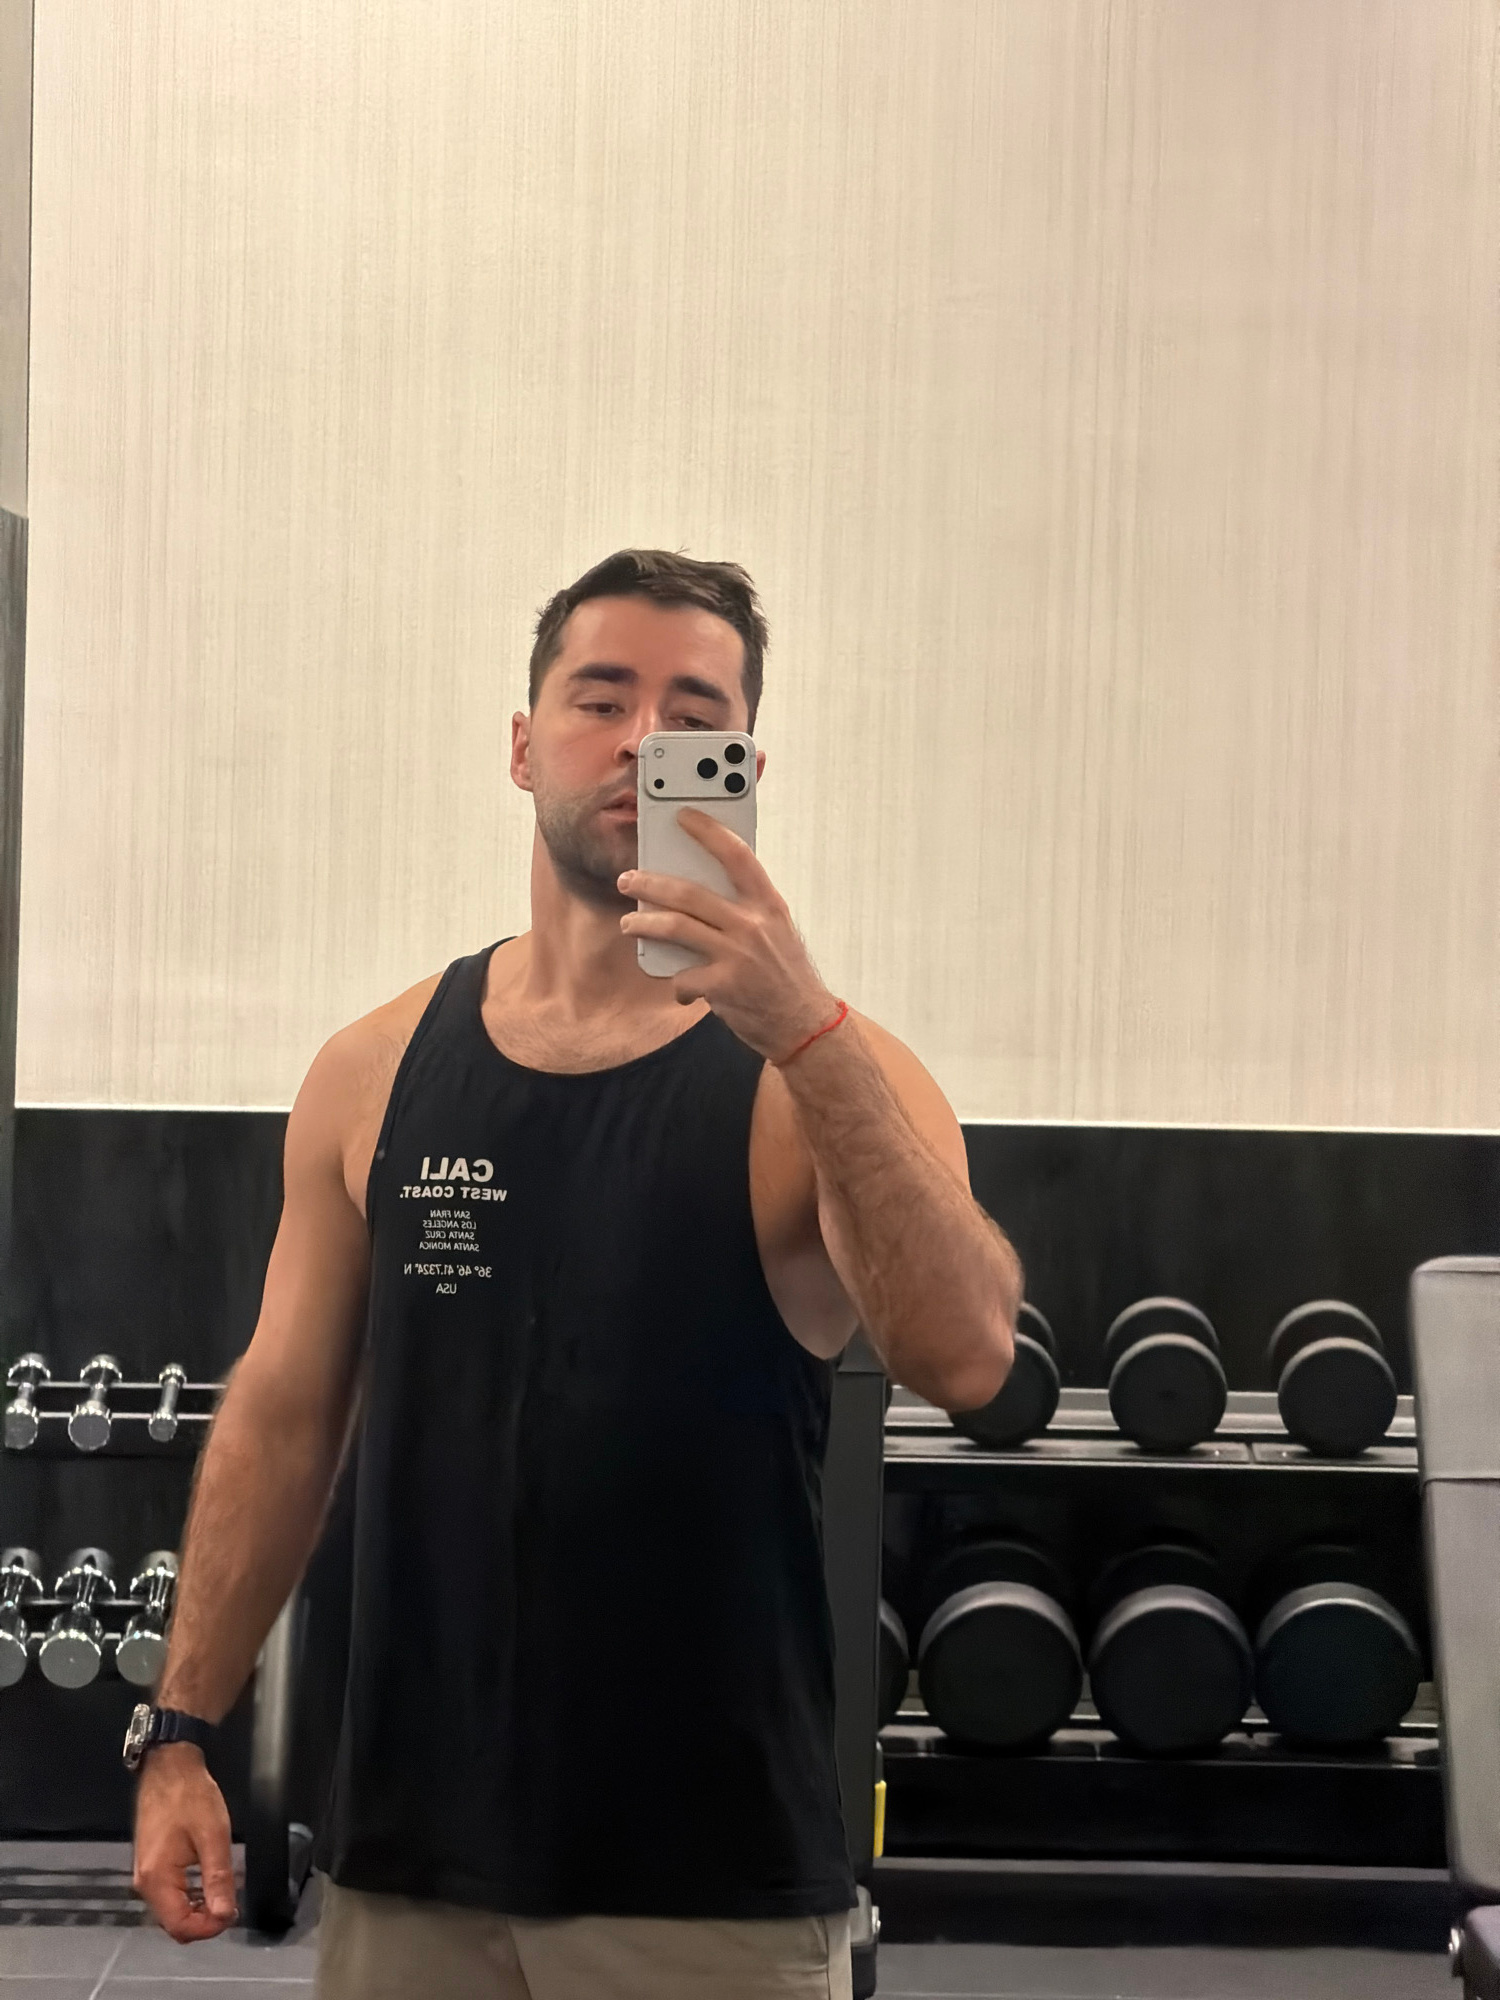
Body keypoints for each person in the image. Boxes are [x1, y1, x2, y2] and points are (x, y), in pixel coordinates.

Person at [131, 549, 1020, 1999]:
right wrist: (179, 1731)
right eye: (601, 699)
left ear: (743, 766)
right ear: (524, 743)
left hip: (706, 1894)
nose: (639, 740)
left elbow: (968, 1355)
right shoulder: (372, 1071)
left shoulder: (825, 1075)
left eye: (692, 714)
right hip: (409, 1871)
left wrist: (805, 1031)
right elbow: (284, 1415)